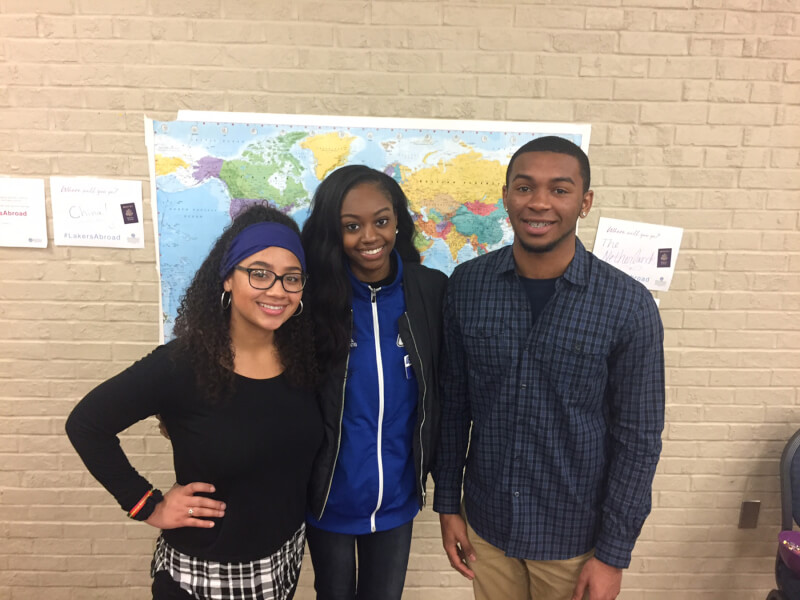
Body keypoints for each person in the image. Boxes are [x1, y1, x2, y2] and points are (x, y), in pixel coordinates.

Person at [433, 136, 665, 600]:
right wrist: (447, 505)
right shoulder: (468, 285)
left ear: (585, 202)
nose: (539, 202)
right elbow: (454, 404)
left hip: (574, 541)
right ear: (505, 197)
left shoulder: (628, 305)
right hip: (487, 524)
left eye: (559, 190)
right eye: (524, 188)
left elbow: (637, 439)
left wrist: (613, 553)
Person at [65, 204, 321, 600]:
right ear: (227, 280)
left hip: (281, 563)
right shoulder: (182, 364)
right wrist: (147, 505)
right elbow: (87, 424)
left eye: (292, 278)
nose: (277, 290)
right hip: (202, 577)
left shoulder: (301, 362)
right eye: (259, 273)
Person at [301, 165, 447, 600]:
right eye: (351, 226)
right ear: (333, 231)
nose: (369, 237)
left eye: (381, 221)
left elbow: (444, 394)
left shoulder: (431, 291)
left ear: (397, 221)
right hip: (328, 502)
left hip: (397, 502)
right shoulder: (311, 299)